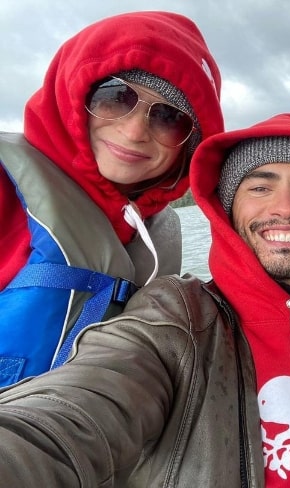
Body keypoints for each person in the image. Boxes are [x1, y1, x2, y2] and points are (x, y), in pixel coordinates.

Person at [0, 112, 290, 487]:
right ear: (226, 209)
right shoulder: (177, 321)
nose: (285, 208)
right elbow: (70, 419)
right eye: (260, 187)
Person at [0, 11, 223, 387]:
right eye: (116, 97)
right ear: (77, 94)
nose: (135, 131)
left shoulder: (158, 231)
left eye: (169, 117)